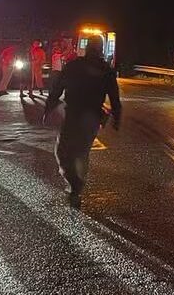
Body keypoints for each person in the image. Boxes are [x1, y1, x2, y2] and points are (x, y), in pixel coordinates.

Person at [43, 36, 121, 206]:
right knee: (81, 151)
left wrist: (49, 107)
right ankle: (76, 186)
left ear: (87, 48)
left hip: (74, 114)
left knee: (63, 151)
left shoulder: (74, 66)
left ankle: (75, 184)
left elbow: (57, 89)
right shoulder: (105, 69)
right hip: (91, 117)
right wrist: (116, 117)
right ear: (101, 49)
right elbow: (114, 98)